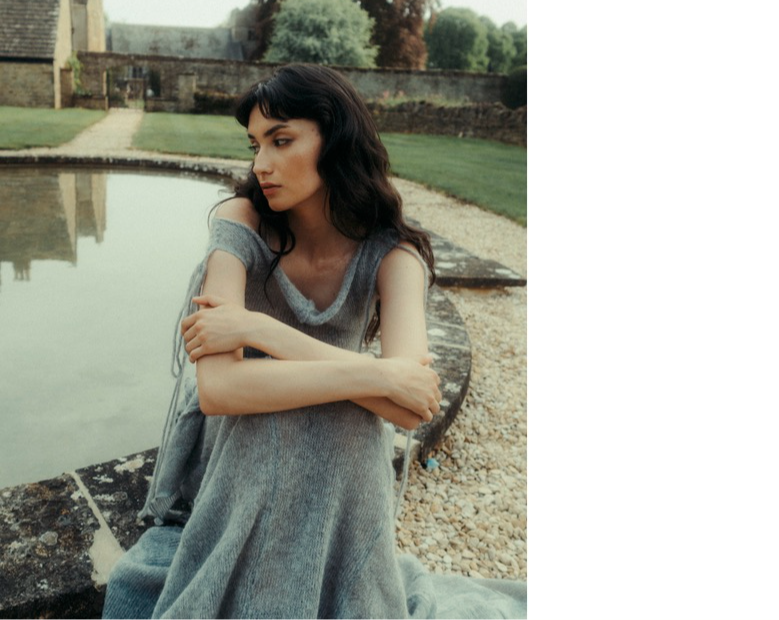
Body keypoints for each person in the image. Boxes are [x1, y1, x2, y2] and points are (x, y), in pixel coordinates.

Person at [103, 64, 527, 618]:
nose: (261, 165)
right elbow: (220, 389)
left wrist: (259, 329)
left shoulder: (394, 255)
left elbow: (411, 406)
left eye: (281, 141)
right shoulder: (241, 220)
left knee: (344, 414)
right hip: (239, 444)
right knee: (333, 410)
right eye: (255, 144)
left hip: (333, 447)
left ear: (337, 140)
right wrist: (375, 374)